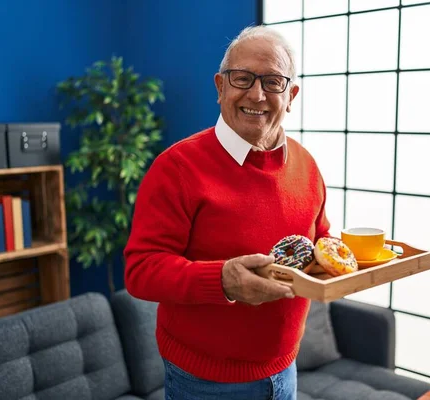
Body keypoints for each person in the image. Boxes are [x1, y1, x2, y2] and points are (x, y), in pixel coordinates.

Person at [123, 24, 331, 400]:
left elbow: (320, 240)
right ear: (220, 87)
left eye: (273, 81)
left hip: (286, 370)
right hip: (204, 382)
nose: (256, 93)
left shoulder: (307, 166)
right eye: (242, 78)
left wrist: (345, 258)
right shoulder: (176, 168)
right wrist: (223, 280)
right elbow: (141, 271)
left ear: (291, 95)